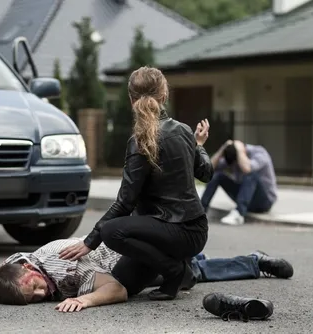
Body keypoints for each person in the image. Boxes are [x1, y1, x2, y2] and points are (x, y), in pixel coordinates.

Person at [59, 66, 213, 301]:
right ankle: (184, 272)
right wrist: (199, 145)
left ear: (131, 100)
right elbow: (207, 174)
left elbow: (125, 203)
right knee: (123, 283)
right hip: (193, 231)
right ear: (164, 96)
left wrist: (90, 241)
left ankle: (174, 270)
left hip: (175, 233)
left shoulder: (140, 141)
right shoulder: (183, 131)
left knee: (111, 231)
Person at [0, 236, 293, 314]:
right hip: (136, 264)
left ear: (28, 269)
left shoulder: (60, 264)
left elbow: (116, 290)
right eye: (34, 298)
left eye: (35, 289)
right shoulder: (15, 273)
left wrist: (85, 300)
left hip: (132, 259)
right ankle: (254, 261)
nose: (41, 295)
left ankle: (254, 261)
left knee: (191, 271)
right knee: (197, 269)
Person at [200, 140, 277, 226]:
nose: (235, 165)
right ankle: (200, 211)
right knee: (217, 176)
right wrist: (221, 150)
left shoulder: (260, 153)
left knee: (251, 174)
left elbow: (247, 169)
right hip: (245, 196)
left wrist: (240, 150)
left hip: (264, 201)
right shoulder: (232, 157)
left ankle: (239, 214)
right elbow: (209, 169)